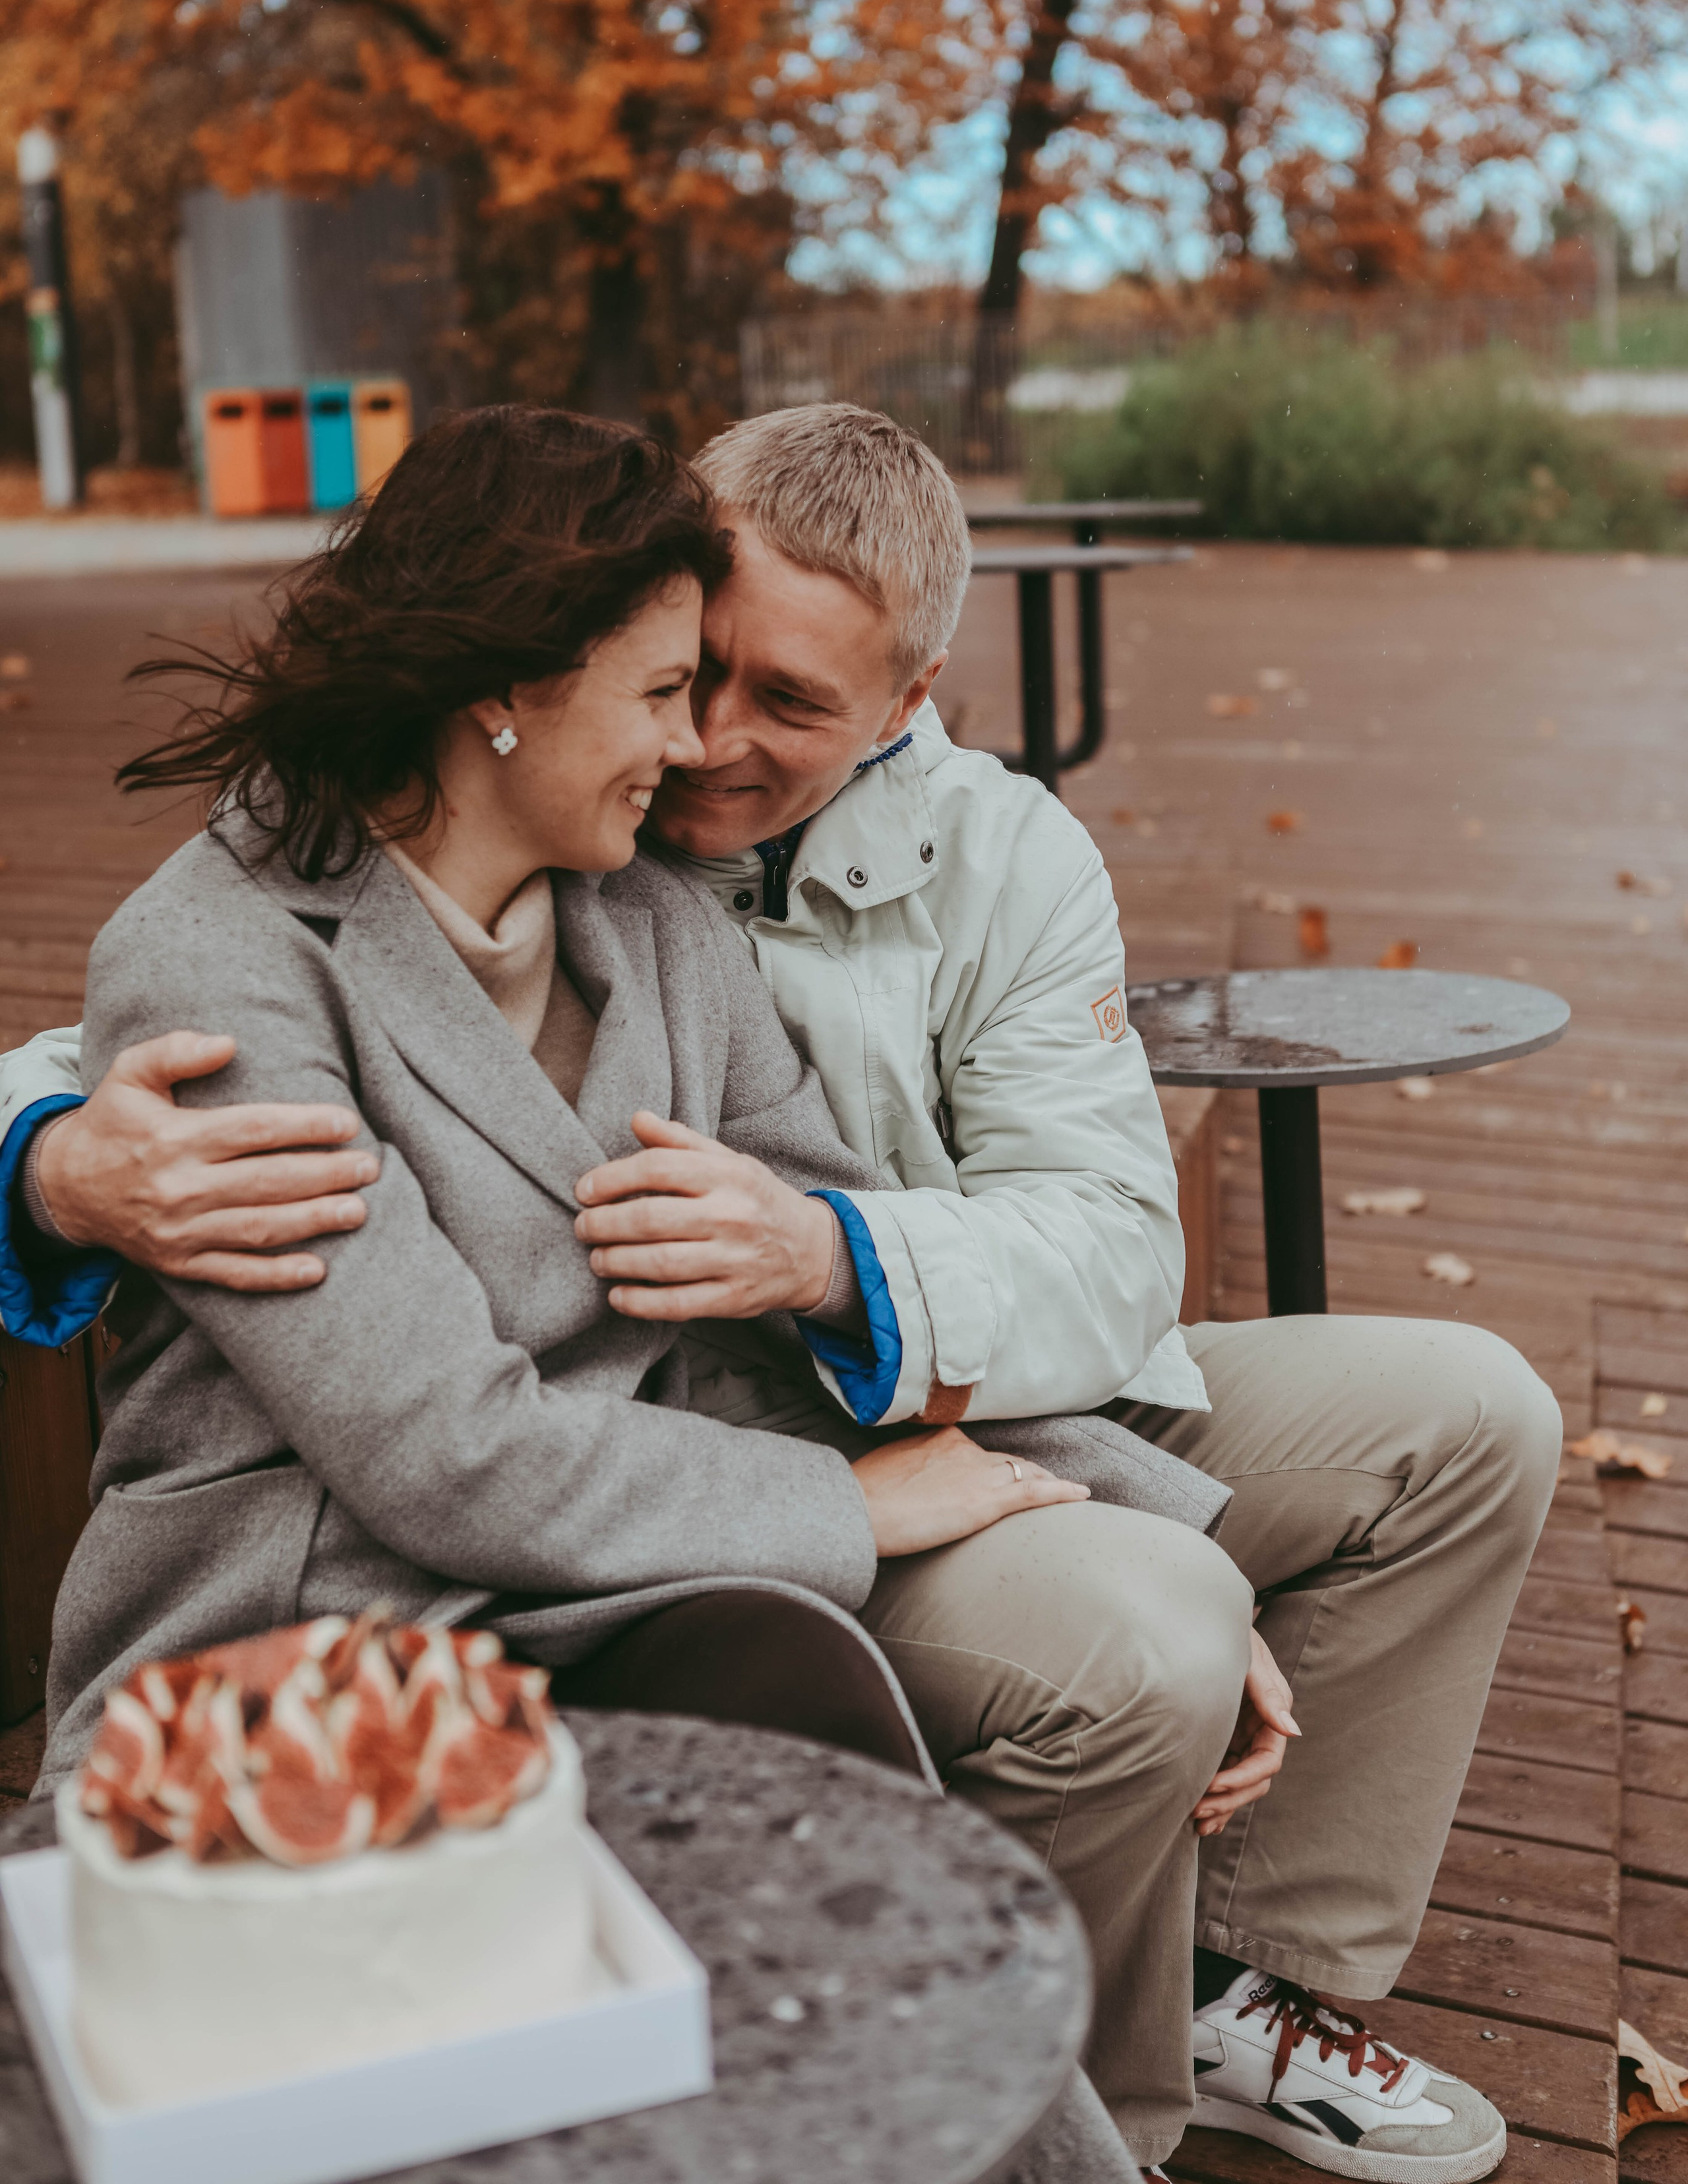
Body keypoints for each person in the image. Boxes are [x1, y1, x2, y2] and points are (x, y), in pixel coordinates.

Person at [1, 404, 1559, 2181]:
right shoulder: (264, 940)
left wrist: (854, 1285)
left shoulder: (681, 914)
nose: (702, 744)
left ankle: (1155, 2049)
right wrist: (48, 1162)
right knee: (1130, 1649)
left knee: (1410, 1453)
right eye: (679, 682)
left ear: (908, 701)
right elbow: (424, 1423)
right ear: (516, 676)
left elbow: (1060, 1249)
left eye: (771, 700)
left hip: (708, 1482)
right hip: (364, 1608)